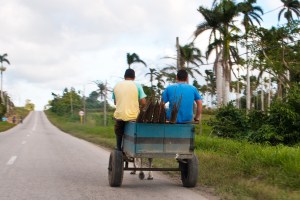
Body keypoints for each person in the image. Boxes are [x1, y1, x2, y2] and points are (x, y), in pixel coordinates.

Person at [112, 68, 147, 151]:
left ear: (124, 77)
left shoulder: (116, 85)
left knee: (118, 131)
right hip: (134, 117)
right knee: (137, 130)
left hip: (120, 116)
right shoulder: (137, 85)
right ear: (134, 77)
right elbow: (143, 102)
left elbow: (115, 102)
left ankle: (118, 148)